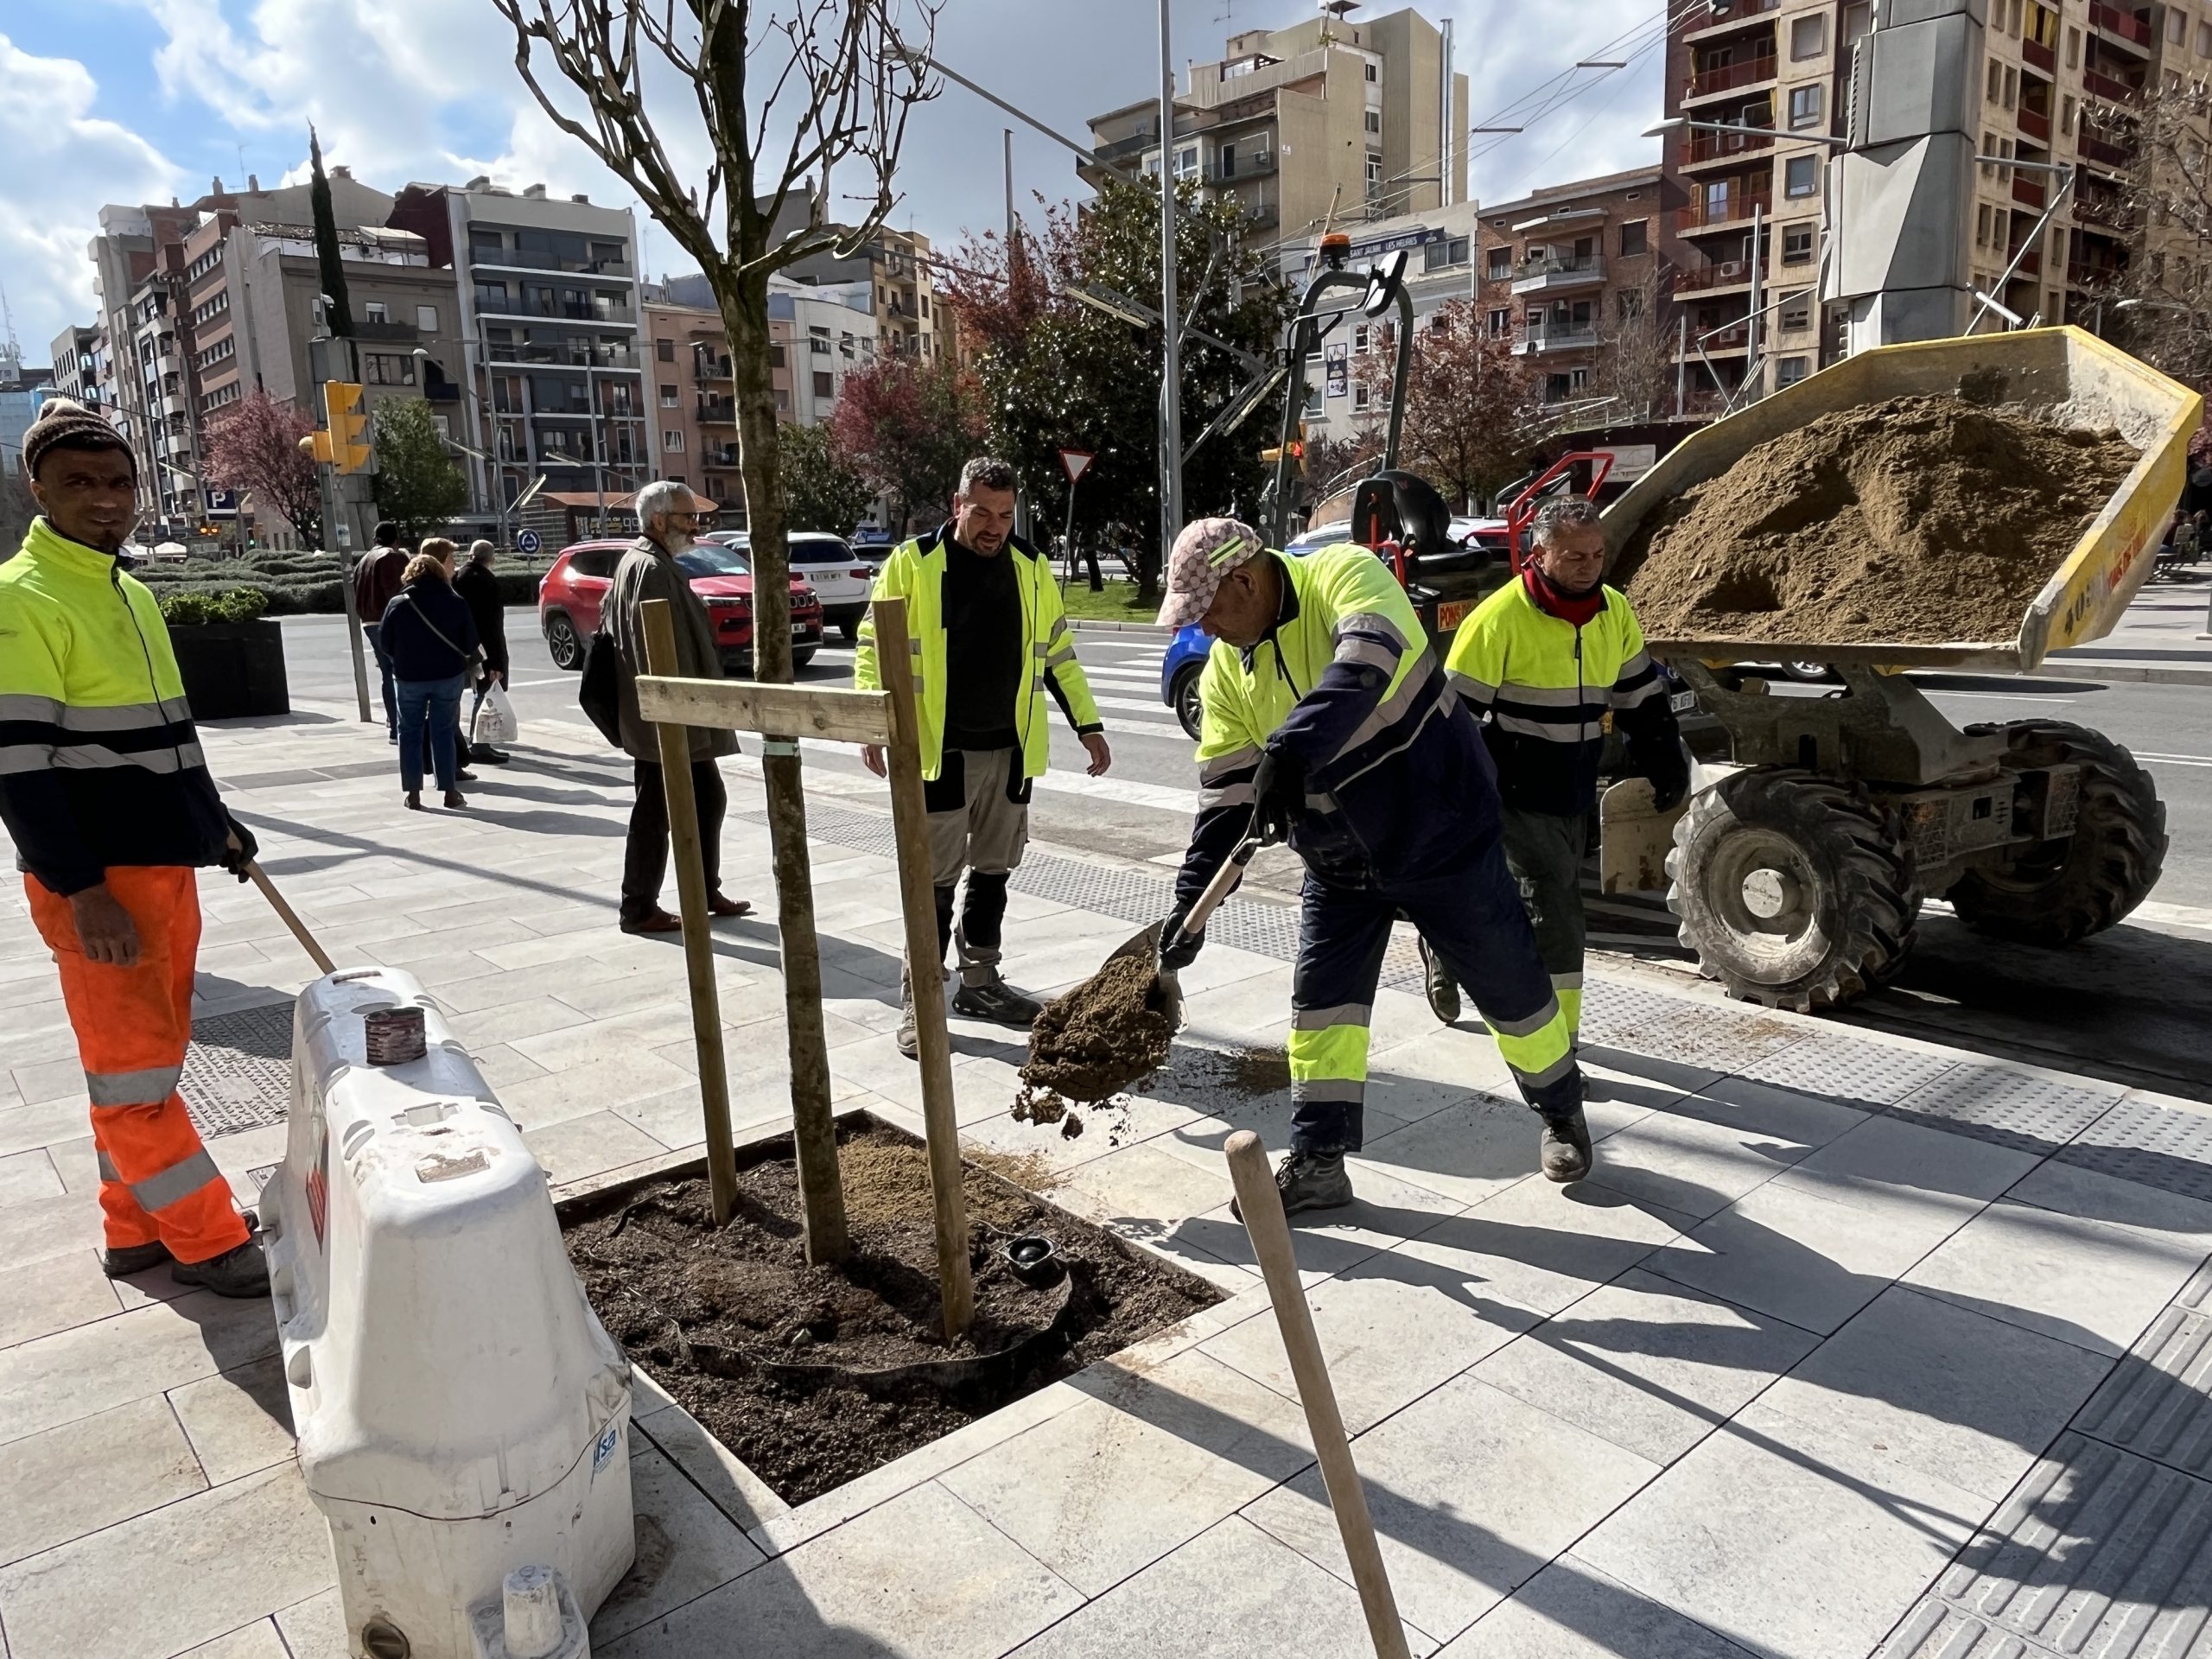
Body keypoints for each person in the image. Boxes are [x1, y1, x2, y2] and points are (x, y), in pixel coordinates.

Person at [1154, 517, 1590, 1212]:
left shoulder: (1345, 576)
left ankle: (1561, 1112)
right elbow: (1225, 801)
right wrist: (1188, 907)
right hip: (1338, 861)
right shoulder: (1225, 675)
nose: (1204, 629)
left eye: (1208, 610)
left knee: (1511, 990)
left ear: (1246, 581)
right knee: (1322, 1008)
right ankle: (1320, 1161)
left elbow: (1363, 664)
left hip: (1441, 834)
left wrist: (1289, 752)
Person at [0, 399, 269, 1296]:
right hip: (103, 883)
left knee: (140, 1065)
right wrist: (83, 891)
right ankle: (208, 1239)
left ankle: (134, 1228)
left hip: (159, 868)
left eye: (118, 482)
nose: (105, 499)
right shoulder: (20, 599)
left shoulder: (130, 591)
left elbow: (169, 739)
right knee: (136, 1077)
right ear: (38, 490)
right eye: (79, 483)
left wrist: (214, 822)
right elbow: (18, 769)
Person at [855, 457, 1110, 1058]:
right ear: (957, 505)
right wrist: (870, 719)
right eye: (982, 512)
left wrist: (1089, 724)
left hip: (1010, 751)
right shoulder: (914, 562)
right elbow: (873, 643)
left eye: (1005, 514)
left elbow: (1059, 653)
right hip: (939, 752)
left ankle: (980, 983)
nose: (995, 526)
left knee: (994, 873)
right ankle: (920, 1001)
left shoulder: (1031, 566)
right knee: (933, 883)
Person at [1435, 496, 1689, 1033]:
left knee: (1509, 902)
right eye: (1574, 556)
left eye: (1597, 554)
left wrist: (1665, 760)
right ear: (1540, 554)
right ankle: (1556, 1044)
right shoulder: (1497, 620)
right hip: (1514, 793)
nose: (1589, 566)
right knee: (1556, 916)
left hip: (1574, 790)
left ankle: (1447, 945)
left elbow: (1640, 696)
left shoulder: (1614, 611)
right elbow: (1453, 725)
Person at [608, 480, 753, 935]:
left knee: (706, 798)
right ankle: (638, 907)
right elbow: (655, 648)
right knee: (655, 813)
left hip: (672, 715)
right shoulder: (649, 567)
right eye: (688, 517)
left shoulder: (648, 562)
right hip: (666, 720)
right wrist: (676, 709)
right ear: (658, 520)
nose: (696, 526)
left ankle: (704, 890)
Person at [379, 537, 480, 810]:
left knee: (409, 732)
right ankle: (449, 792)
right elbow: (470, 642)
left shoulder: (398, 603)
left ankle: (413, 793)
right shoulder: (455, 602)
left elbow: (385, 643)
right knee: (443, 731)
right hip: (448, 676)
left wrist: (402, 660)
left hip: (409, 677)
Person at [454, 538, 512, 766]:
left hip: (460, 646)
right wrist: (497, 661)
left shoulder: (457, 577)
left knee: (459, 694)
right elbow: (492, 625)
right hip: (484, 648)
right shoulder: (488, 582)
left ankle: (465, 743)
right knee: (485, 693)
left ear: (470, 555)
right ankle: (479, 745)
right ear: (491, 559)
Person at [353, 520, 409, 741]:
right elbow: (400, 592)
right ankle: (403, 726)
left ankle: (394, 726)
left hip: (369, 622)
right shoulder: (392, 557)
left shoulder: (363, 561)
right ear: (396, 539)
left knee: (388, 674)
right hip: (390, 621)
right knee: (403, 674)